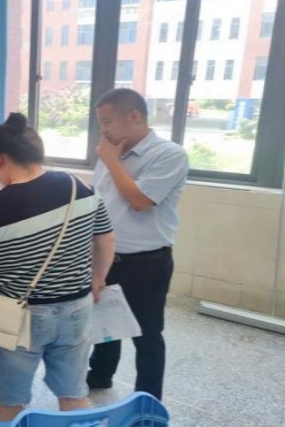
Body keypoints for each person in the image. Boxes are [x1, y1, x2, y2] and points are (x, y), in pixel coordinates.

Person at [0, 113, 115, 422]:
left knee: (11, 402)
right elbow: (106, 238)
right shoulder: (80, 186)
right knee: (73, 394)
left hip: (18, 316)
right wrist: (98, 277)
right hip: (76, 306)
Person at [86, 88, 189, 401]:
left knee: (147, 335)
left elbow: (140, 201)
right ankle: (100, 376)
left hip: (146, 262)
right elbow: (98, 201)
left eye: (107, 121)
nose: (103, 130)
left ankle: (148, 401)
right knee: (105, 324)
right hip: (104, 257)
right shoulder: (111, 153)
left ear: (133, 116)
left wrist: (111, 161)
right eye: (100, 123)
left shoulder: (169, 154)